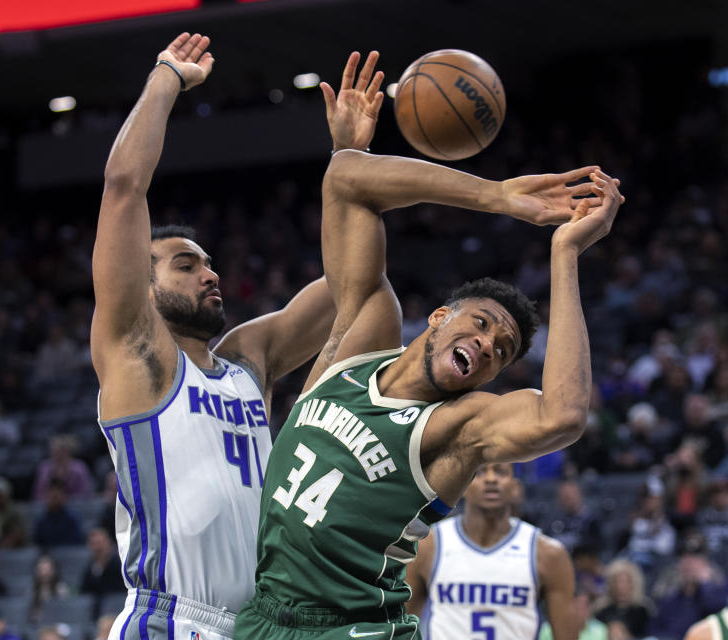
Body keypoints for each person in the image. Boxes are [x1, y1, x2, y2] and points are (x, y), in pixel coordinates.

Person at [235, 54, 625, 639]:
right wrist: (496, 197)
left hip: (354, 629)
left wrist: (565, 254)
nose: (489, 344)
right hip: (262, 618)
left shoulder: (457, 428)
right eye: (483, 323)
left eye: (503, 348)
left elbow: (563, 414)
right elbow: (344, 182)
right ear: (440, 317)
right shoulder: (359, 343)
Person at [91, 33, 372, 640]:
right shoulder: (138, 357)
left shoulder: (249, 359)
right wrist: (167, 76)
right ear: (141, 286)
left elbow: (352, 280)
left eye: (210, 262)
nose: (210, 272)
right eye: (185, 265)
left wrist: (348, 163)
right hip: (170, 620)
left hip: (257, 626)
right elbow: (122, 189)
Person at [405, 463, 579, 640]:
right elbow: (402, 626)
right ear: (462, 485)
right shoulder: (429, 546)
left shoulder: (548, 554)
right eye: (480, 472)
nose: (491, 479)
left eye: (501, 472)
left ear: (515, 488)